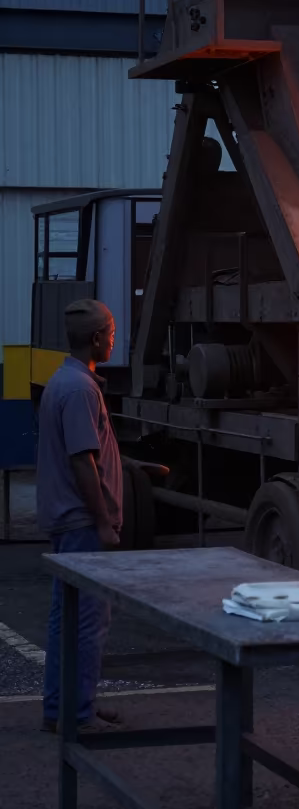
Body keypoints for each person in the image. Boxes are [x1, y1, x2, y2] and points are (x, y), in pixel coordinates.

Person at [37, 299, 123, 733]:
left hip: (70, 520)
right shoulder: (79, 390)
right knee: (87, 622)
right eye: (110, 333)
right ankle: (76, 714)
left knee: (69, 619)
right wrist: (105, 522)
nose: (114, 339)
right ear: (96, 338)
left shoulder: (68, 380)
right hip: (82, 524)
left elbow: (89, 454)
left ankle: (70, 704)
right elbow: (81, 460)